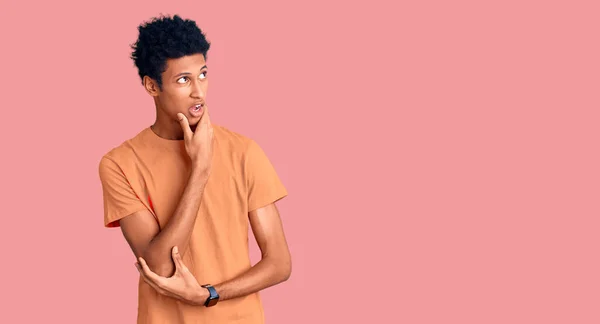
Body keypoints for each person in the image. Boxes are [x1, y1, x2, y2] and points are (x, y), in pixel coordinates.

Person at [98, 14, 291, 323]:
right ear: (151, 86)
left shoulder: (244, 151)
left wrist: (209, 294)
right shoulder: (120, 164)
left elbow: (280, 263)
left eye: (202, 74)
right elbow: (160, 267)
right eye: (183, 80)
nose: (199, 92)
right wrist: (200, 169)